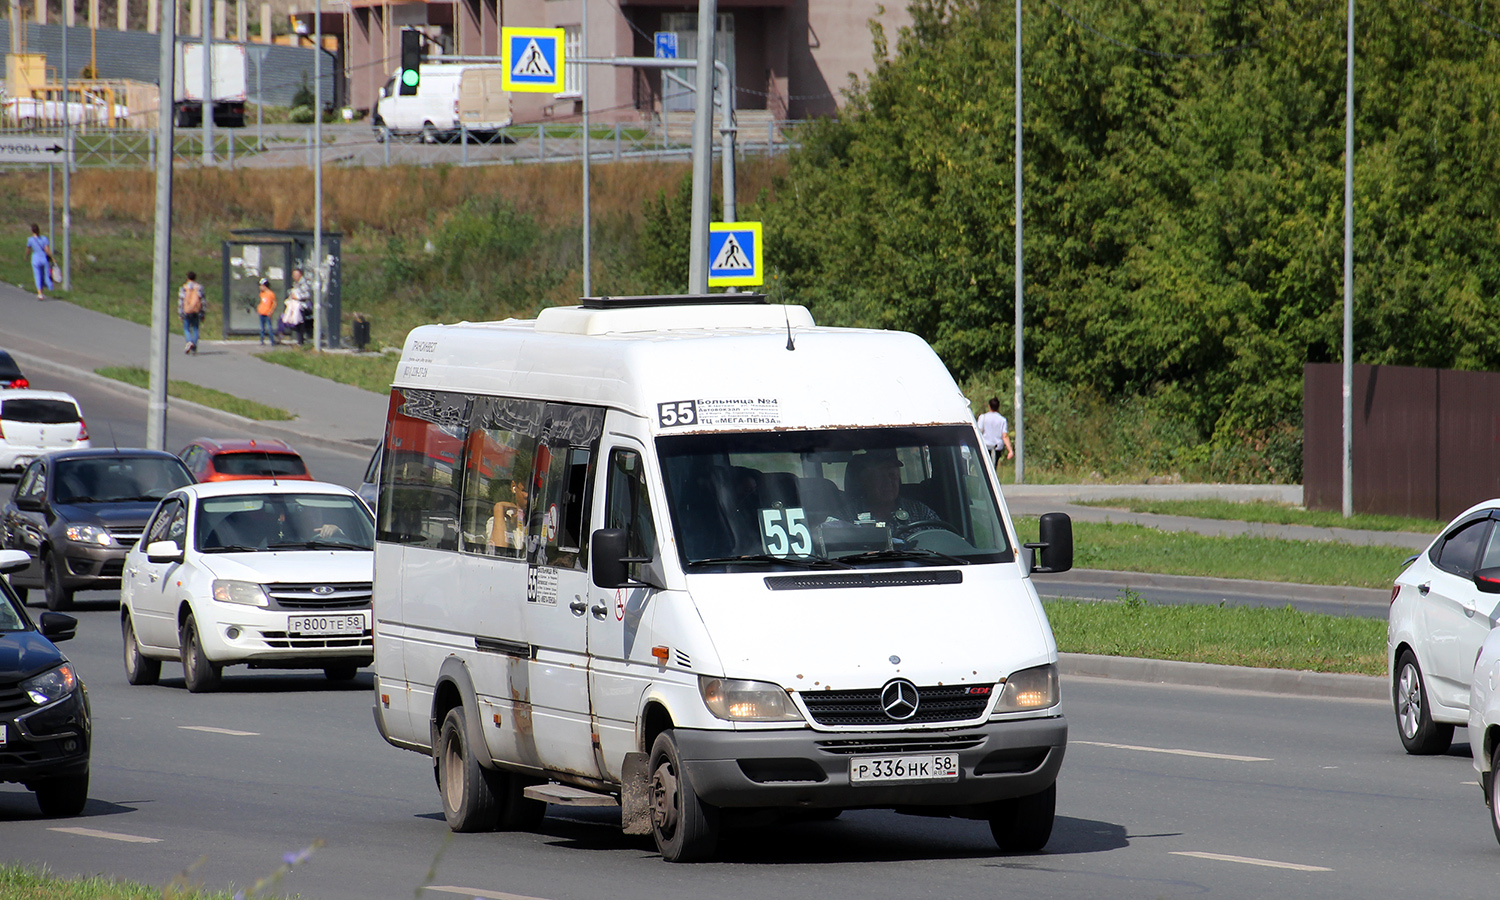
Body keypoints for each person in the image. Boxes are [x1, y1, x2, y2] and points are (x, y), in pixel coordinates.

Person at [845, 449, 939, 527]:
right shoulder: (847, 515)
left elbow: (943, 540)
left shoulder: (920, 511)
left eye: (892, 475)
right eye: (881, 476)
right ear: (865, 480)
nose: (888, 481)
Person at [488, 477, 530, 555]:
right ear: (514, 487)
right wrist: (499, 508)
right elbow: (498, 552)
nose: (527, 495)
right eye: (525, 490)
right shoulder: (499, 520)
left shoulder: (535, 522)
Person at [977, 397, 1015, 467]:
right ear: (998, 407)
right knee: (993, 467)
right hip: (997, 447)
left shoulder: (983, 417)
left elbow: (978, 432)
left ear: (989, 406)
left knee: (985, 467)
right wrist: (1010, 450)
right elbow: (1005, 436)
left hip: (985, 446)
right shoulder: (1002, 420)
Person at [178, 270, 207, 354]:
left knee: (186, 328)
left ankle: (189, 341)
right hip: (196, 311)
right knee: (195, 328)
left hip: (186, 310)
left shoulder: (184, 288)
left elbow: (181, 301)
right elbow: (203, 301)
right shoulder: (199, 287)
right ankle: (194, 346)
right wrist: (203, 313)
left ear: (187, 277)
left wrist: (180, 313)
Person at [279, 268, 309, 345]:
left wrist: (297, 297)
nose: (294, 276)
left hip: (301, 306)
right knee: (284, 318)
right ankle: (282, 334)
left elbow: (307, 295)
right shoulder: (295, 283)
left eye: (296, 275)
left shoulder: (303, 284)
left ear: (300, 275)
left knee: (299, 323)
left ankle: (301, 341)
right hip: (294, 305)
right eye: (293, 275)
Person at [26, 224, 53, 301]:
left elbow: (28, 250)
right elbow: (47, 250)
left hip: (35, 259)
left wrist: (26, 257)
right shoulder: (44, 239)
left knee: (37, 276)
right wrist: (52, 257)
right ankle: (49, 286)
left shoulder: (30, 240)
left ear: (32, 231)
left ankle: (40, 293)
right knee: (46, 275)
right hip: (43, 259)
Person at [256, 277, 278, 345]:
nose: (260, 287)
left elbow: (274, 303)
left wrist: (271, 311)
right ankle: (262, 340)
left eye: (261, 286)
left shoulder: (270, 294)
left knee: (269, 327)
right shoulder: (262, 293)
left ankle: (272, 340)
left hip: (267, 313)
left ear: (265, 286)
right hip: (262, 312)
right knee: (262, 328)